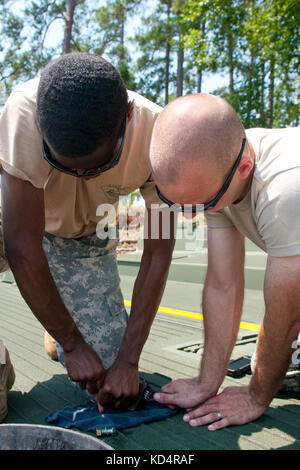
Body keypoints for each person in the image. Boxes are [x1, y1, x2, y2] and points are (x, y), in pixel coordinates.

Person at [0, 52, 175, 412]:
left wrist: (128, 360)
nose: (79, 177)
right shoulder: (22, 113)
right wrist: (74, 344)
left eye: (98, 166)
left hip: (84, 238)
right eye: (61, 166)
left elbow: (158, 251)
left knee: (112, 387)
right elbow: (20, 244)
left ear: (127, 117)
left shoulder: (160, 137)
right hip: (13, 222)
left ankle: (57, 325)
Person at [149, 93, 300, 430]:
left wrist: (255, 396)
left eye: (199, 205)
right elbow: (223, 284)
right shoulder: (221, 174)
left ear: (244, 170)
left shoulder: (286, 190)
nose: (190, 216)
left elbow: (286, 316)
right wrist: (207, 380)